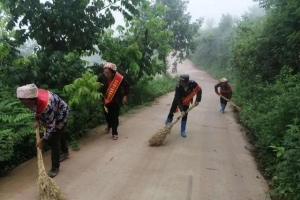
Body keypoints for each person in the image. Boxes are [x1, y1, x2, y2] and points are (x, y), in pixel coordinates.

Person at [17, 84, 70, 178]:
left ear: (32, 99)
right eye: (23, 103)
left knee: (55, 139)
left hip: (61, 114)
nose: (25, 106)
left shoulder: (46, 105)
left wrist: (42, 140)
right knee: (58, 134)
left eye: (26, 103)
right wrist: (36, 120)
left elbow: (51, 126)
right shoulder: (33, 96)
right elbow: (36, 109)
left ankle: (55, 167)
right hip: (53, 114)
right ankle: (65, 151)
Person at [98, 62, 130, 140]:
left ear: (113, 73)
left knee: (115, 117)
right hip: (106, 100)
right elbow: (96, 84)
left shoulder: (118, 78)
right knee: (107, 116)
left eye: (108, 73)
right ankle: (109, 125)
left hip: (116, 100)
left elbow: (127, 85)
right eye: (105, 72)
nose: (106, 75)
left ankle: (114, 132)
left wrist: (125, 95)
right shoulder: (101, 77)